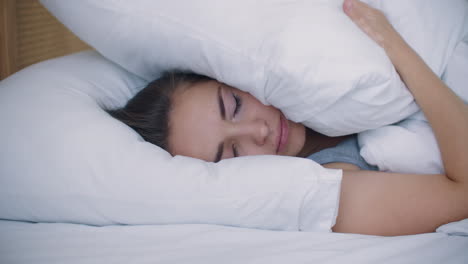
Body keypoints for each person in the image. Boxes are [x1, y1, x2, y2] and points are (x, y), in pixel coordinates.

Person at [109, 0, 468, 236]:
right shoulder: (328, 183)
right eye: (232, 152)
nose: (259, 130)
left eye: (234, 105)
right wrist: (394, 45)